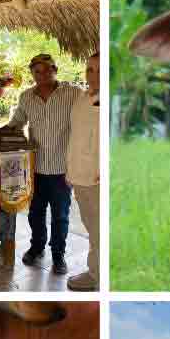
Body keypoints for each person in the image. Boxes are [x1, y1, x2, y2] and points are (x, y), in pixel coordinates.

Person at [6, 53, 82, 275]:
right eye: (37, 71)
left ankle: (58, 256)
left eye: (47, 69)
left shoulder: (73, 94)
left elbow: (86, 122)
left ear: (55, 69)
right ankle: (37, 248)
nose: (42, 75)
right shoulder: (26, 97)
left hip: (62, 169)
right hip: (35, 167)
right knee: (35, 213)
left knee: (61, 215)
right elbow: (17, 122)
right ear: (32, 74)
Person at [65, 52, 100, 291]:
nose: (94, 76)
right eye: (90, 69)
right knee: (91, 227)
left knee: (99, 230)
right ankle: (96, 271)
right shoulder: (82, 98)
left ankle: (97, 275)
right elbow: (76, 136)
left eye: (99, 70)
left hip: (96, 177)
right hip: (79, 174)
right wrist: (70, 171)